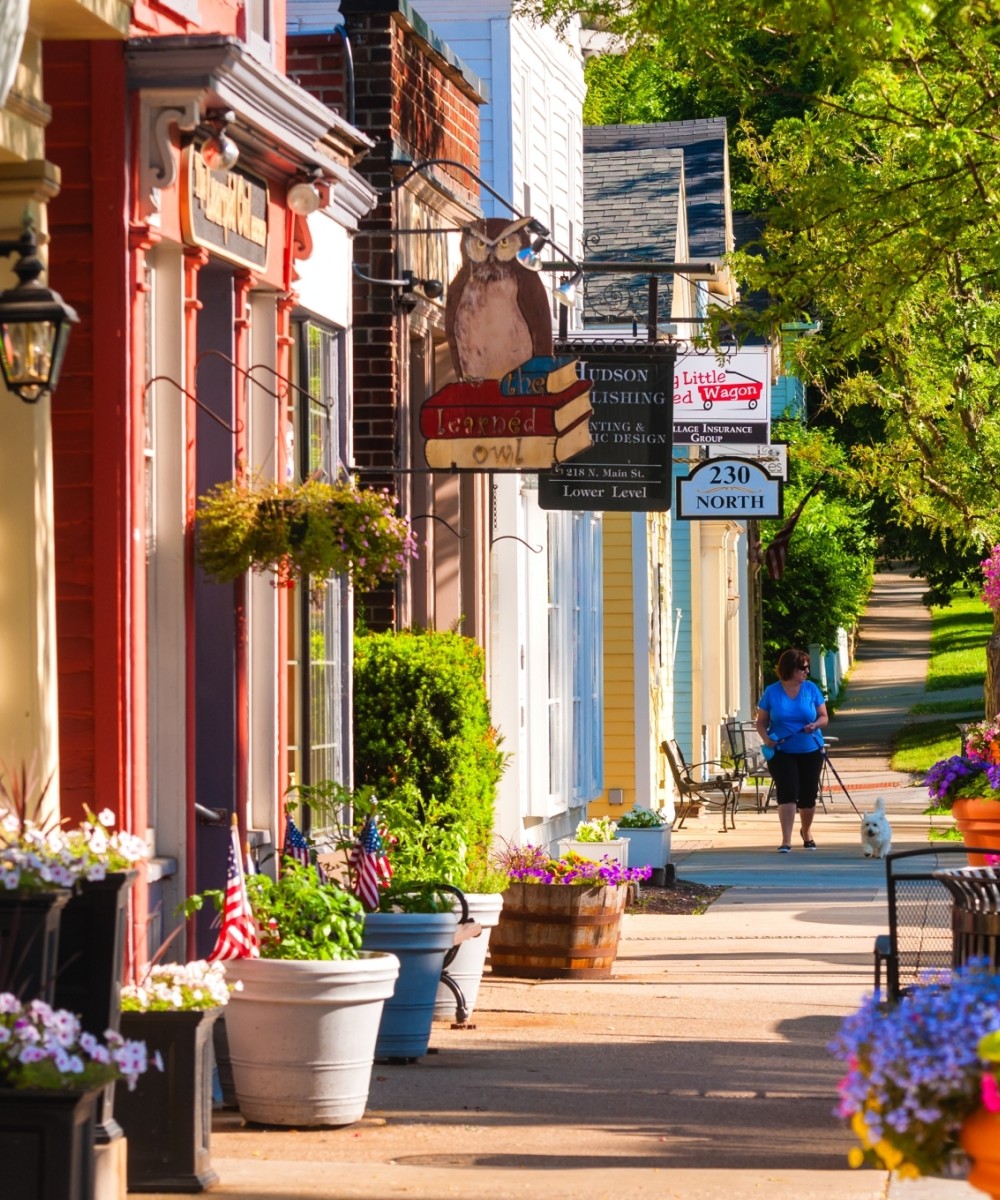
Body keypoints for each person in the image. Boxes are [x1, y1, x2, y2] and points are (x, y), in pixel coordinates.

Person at [755, 648, 829, 853]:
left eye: (807, 668)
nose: (806, 672)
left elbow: (824, 716)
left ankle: (806, 832)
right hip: (782, 751)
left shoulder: (811, 689)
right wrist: (766, 739)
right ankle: (786, 840)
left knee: (808, 795)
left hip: (810, 749)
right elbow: (761, 722)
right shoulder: (772, 691)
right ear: (790, 669)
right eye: (802, 668)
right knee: (787, 792)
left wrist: (815, 725)